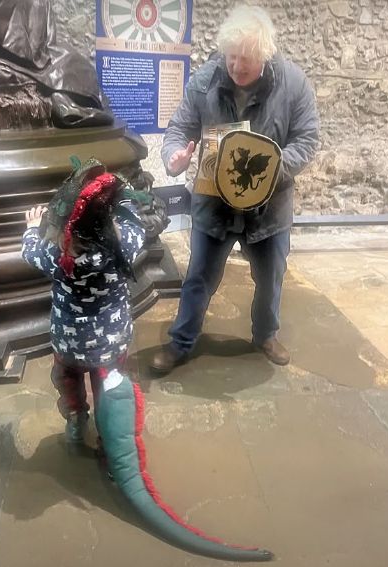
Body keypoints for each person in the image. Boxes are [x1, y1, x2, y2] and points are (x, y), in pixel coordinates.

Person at [150, 4, 319, 374]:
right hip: (214, 206)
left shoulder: (293, 83)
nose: (238, 66)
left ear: (266, 55)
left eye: (247, 59)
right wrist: (174, 156)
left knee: (270, 277)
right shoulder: (205, 80)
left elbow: (307, 139)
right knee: (198, 277)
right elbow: (179, 129)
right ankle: (181, 342)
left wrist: (275, 167)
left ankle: (265, 335)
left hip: (269, 208)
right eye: (232, 56)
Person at [21, 160, 145, 444]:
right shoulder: (124, 244)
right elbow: (135, 221)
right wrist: (119, 196)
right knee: (108, 392)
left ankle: (76, 420)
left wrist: (31, 227)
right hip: (110, 345)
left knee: (68, 382)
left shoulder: (56, 254)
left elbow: (28, 250)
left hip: (68, 344)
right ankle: (109, 442)